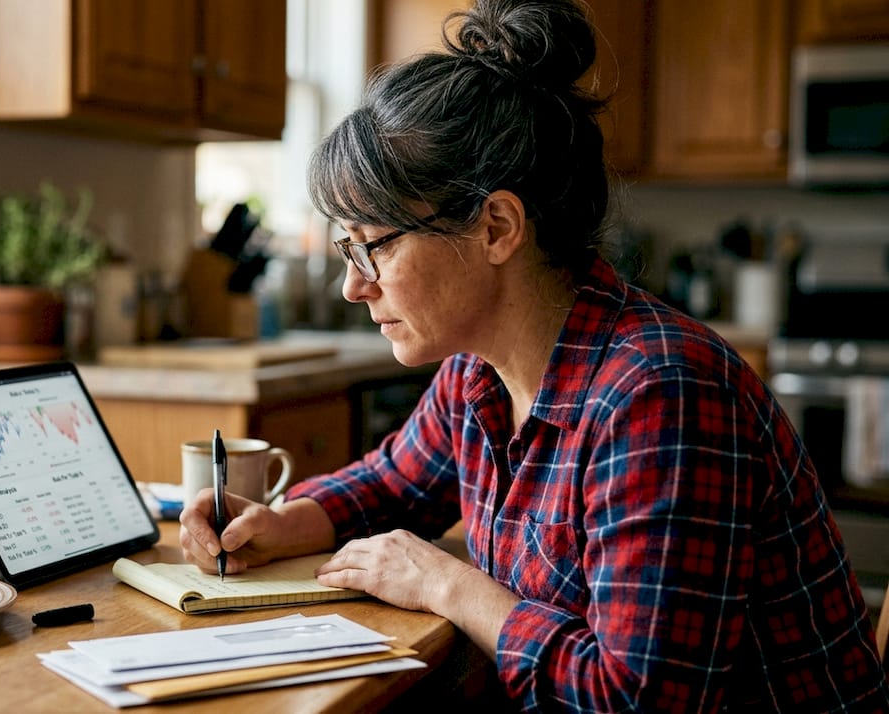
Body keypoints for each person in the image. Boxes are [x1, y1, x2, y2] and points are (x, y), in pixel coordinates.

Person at [179, 0, 889, 710]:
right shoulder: (476, 370)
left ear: (495, 228)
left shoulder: (658, 395)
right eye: (347, 247)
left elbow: (635, 702)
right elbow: (395, 481)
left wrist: (448, 584)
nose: (353, 285)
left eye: (377, 244)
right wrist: (280, 524)